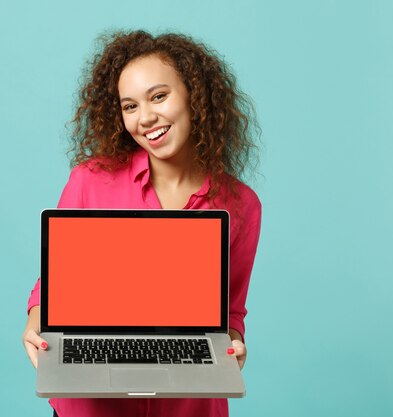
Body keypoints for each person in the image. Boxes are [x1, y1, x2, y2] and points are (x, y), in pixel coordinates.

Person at [22, 30, 262, 417]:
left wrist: (231, 346)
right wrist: (37, 320)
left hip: (188, 408)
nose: (145, 117)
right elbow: (54, 285)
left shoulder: (241, 204)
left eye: (159, 96)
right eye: (129, 106)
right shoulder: (90, 180)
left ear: (194, 96)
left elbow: (230, 313)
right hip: (90, 408)